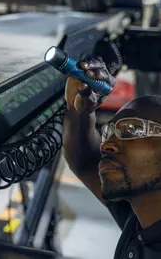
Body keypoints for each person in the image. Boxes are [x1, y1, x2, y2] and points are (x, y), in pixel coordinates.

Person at [63, 57, 161, 258]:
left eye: (132, 129)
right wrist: (80, 109)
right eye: (108, 133)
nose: (106, 144)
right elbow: (85, 163)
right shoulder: (140, 219)